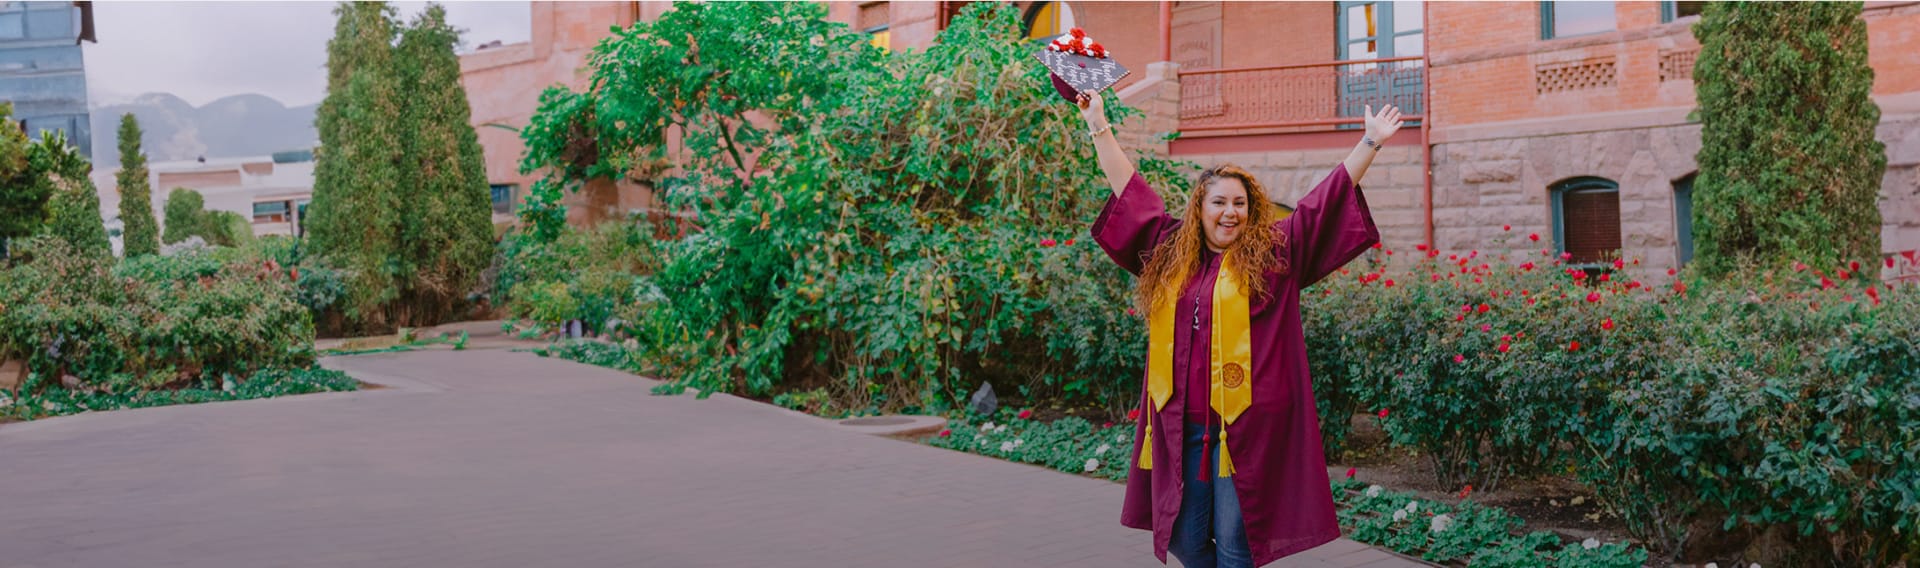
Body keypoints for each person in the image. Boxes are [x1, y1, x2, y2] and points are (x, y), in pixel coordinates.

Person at [1079, 90, 1401, 568]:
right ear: (1199, 208)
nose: (1230, 212)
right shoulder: (1169, 251)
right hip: (1179, 426)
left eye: (1241, 204)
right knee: (1185, 541)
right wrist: (1098, 124)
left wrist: (1369, 144)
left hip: (1245, 429)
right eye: (1219, 202)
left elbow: (1321, 205)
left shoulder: (1274, 255)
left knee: (1235, 547)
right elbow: (1131, 191)